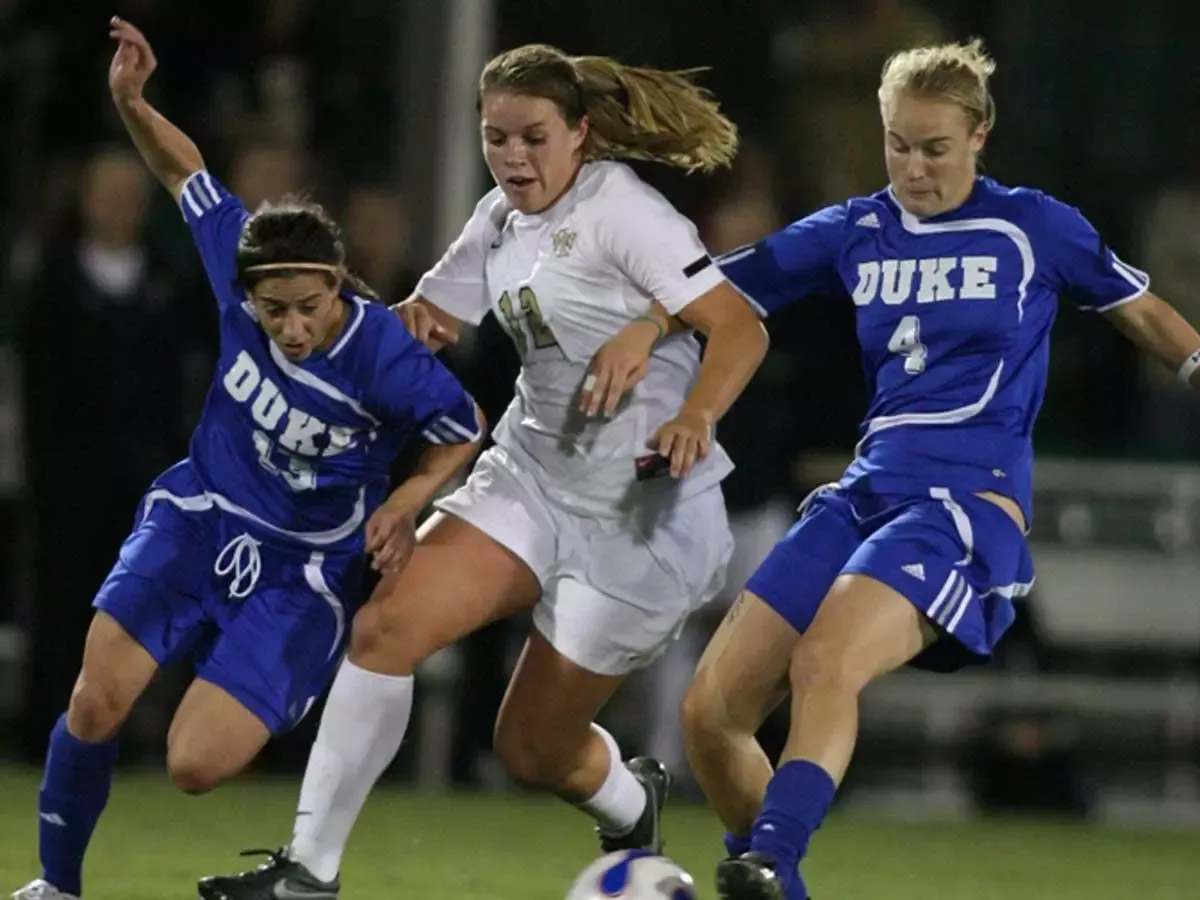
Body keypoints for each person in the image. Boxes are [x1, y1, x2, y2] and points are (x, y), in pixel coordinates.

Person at [197, 42, 768, 900]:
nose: (513, 157)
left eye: (533, 137)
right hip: (531, 474)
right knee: (384, 630)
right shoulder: (498, 219)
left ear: (580, 134)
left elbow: (740, 328)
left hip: (641, 516)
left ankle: (625, 797)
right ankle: (307, 874)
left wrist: (693, 414)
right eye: (496, 137)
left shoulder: (625, 212)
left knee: (532, 749)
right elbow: (429, 314)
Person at [678, 38, 1200, 900]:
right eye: (897, 144)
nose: (913, 168)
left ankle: (770, 857)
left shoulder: (1033, 226)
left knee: (823, 665)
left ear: (980, 136)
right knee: (710, 715)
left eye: (935, 148)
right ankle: (774, 880)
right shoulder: (855, 229)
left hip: (963, 505)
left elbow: (1144, 315)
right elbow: (712, 295)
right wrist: (625, 322)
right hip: (863, 493)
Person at [11, 19, 485, 900]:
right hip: (202, 516)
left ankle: (307, 852)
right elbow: (183, 171)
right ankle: (57, 886)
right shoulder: (237, 261)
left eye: (309, 306)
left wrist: (408, 499)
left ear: (337, 286)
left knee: (194, 763)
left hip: (304, 571)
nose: (293, 327)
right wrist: (130, 99)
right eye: (274, 311)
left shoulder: (384, 354)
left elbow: (465, 424)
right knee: (93, 702)